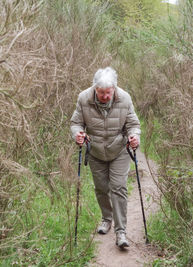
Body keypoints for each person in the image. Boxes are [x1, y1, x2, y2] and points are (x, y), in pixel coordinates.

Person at [70, 67, 141, 248]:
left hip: (119, 150)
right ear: (95, 88)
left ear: (114, 89)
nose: (105, 96)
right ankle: (106, 218)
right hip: (95, 151)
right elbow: (76, 122)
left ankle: (121, 231)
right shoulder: (83, 98)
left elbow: (133, 124)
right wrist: (77, 134)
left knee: (118, 187)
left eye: (108, 93)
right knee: (101, 188)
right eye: (101, 93)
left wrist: (134, 136)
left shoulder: (124, 98)